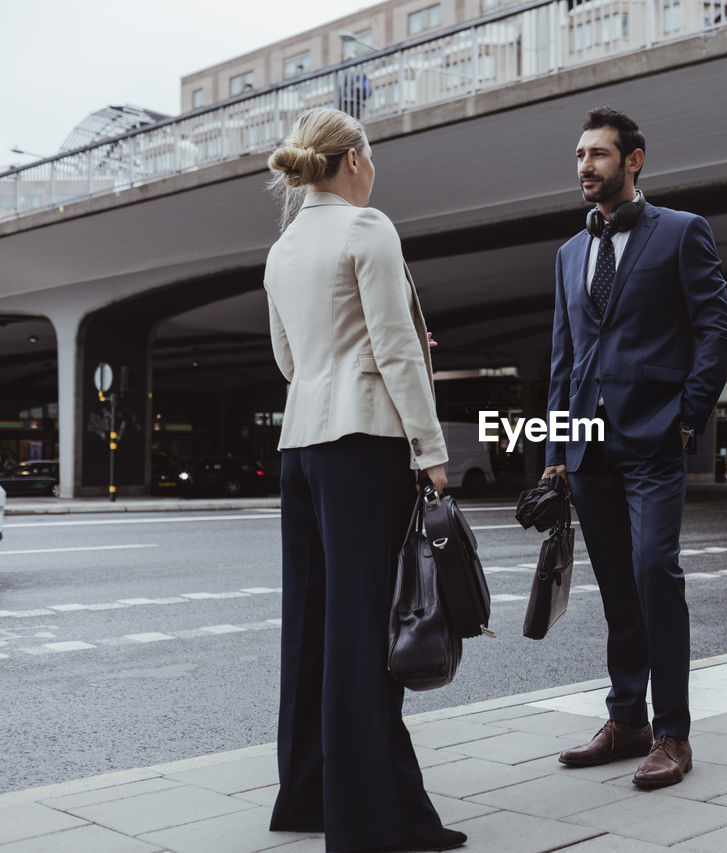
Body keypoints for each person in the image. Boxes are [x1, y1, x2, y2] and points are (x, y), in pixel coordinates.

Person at [263, 108, 465, 852]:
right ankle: (372, 819)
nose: (373, 168)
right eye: (370, 155)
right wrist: (431, 449)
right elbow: (395, 355)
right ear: (351, 161)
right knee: (367, 633)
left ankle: (310, 794)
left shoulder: (283, 248)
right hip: (364, 442)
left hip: (302, 447)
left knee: (312, 627)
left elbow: (290, 360)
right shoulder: (367, 228)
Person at [542, 107, 727, 788]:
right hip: (588, 444)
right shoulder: (569, 253)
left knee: (656, 571)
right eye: (578, 155)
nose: (585, 166)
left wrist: (687, 415)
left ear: (635, 159)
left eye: (597, 154)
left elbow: (719, 330)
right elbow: (564, 358)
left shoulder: (682, 233)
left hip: (656, 436)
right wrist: (555, 446)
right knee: (619, 588)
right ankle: (626, 719)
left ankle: (673, 733)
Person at [336, 52, 372, 120]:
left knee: (348, 122)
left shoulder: (344, 71)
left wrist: (338, 103)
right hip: (360, 102)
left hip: (347, 101)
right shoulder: (361, 72)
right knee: (357, 122)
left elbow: (340, 86)